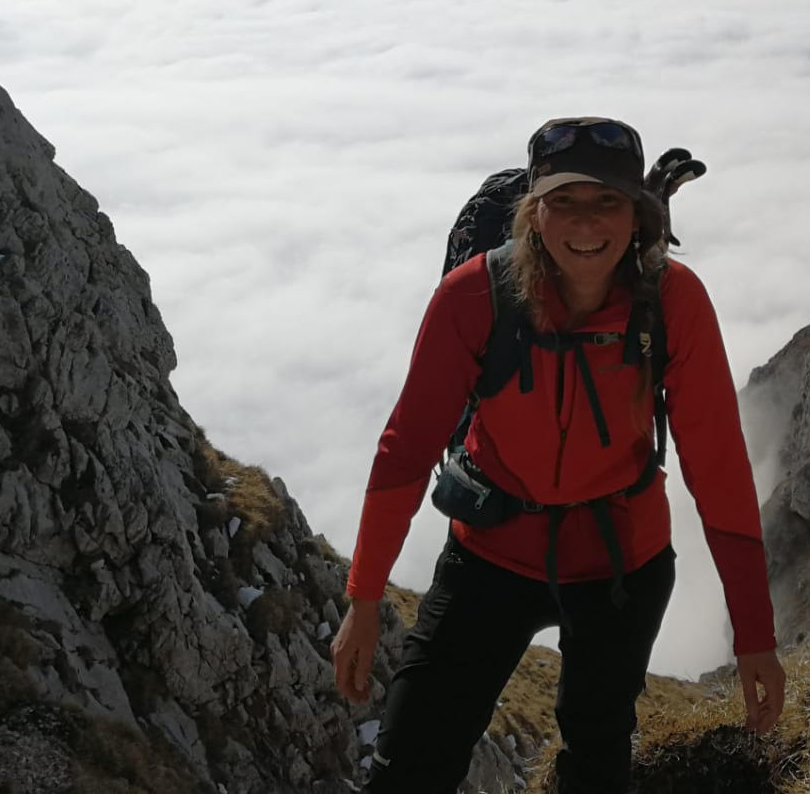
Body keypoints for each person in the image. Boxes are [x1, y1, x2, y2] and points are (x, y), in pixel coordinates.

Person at [332, 116, 785, 793]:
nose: (585, 223)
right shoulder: (474, 297)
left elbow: (717, 469)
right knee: (411, 763)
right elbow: (407, 446)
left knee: (594, 762)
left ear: (639, 215)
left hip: (618, 564)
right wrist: (363, 596)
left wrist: (754, 632)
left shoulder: (673, 302)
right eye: (564, 201)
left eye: (607, 201)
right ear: (532, 209)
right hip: (489, 553)